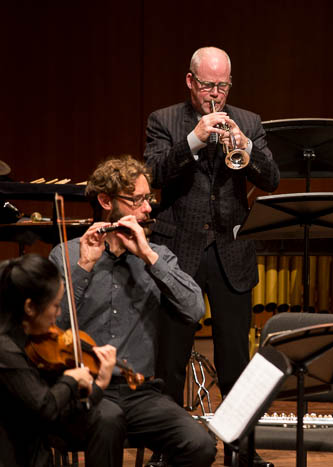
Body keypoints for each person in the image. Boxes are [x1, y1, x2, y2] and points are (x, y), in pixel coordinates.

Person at [143, 46, 279, 466]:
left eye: (222, 86)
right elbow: (153, 174)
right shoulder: (164, 121)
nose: (214, 94)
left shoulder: (250, 122)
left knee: (237, 362)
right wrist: (195, 139)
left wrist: (246, 148)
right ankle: (168, 453)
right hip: (178, 252)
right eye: (207, 86)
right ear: (190, 81)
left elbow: (271, 179)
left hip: (230, 252)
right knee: (171, 360)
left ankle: (242, 453)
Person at [48, 155, 216, 467]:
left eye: (148, 199)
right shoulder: (67, 255)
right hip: (87, 388)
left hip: (142, 393)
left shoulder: (158, 255)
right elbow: (52, 325)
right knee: (108, 421)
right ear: (105, 201)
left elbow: (194, 309)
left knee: (200, 445)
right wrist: (85, 266)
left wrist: (150, 257)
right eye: (137, 200)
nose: (148, 208)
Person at [0, 253, 121, 466]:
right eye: (55, 306)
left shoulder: (31, 341)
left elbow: (60, 414)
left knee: (108, 418)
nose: (58, 316)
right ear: (29, 307)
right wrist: (71, 378)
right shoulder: (6, 350)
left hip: (36, 451)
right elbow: (46, 407)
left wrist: (99, 385)